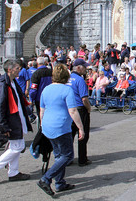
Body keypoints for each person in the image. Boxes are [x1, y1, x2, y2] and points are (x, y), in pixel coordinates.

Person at [37, 64, 84, 196]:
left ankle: (60, 182)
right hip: (61, 126)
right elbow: (73, 111)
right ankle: (46, 178)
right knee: (67, 155)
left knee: (59, 155)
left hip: (47, 125)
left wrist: (42, 124)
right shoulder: (66, 90)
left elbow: (42, 110)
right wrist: (81, 127)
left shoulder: (46, 89)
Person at [0, 60, 32, 183]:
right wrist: (3, 126)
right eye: (17, 68)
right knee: (19, 146)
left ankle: (13, 172)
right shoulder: (3, 84)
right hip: (11, 120)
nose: (19, 70)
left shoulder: (11, 82)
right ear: (10, 69)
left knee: (15, 145)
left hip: (16, 118)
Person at [66, 59, 92, 167]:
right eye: (84, 67)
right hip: (80, 109)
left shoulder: (67, 79)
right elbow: (84, 99)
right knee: (82, 134)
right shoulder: (80, 80)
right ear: (78, 67)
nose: (85, 69)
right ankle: (82, 159)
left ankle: (67, 158)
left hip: (69, 109)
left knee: (70, 134)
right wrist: (89, 108)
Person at [29, 57, 52, 121]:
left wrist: (31, 99)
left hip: (39, 98)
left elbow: (33, 89)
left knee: (41, 116)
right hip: (51, 96)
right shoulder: (51, 72)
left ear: (37, 63)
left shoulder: (36, 74)